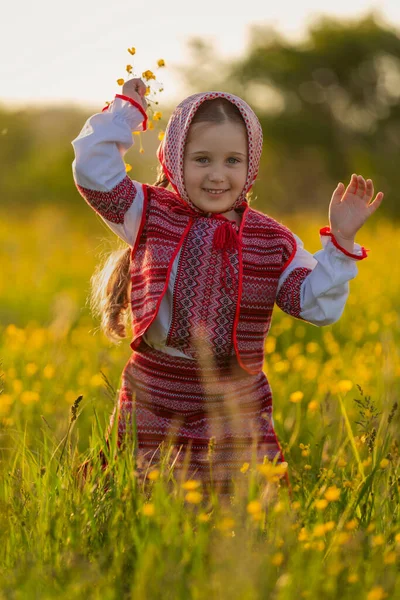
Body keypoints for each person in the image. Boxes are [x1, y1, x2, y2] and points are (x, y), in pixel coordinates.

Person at [71, 78, 383, 498]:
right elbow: (94, 174)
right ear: (175, 159)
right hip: (154, 389)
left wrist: (341, 243)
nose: (218, 176)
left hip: (233, 398)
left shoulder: (272, 240)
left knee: (236, 505)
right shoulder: (148, 212)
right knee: (139, 494)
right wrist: (126, 114)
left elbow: (314, 304)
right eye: (202, 159)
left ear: (251, 165)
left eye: (233, 161)